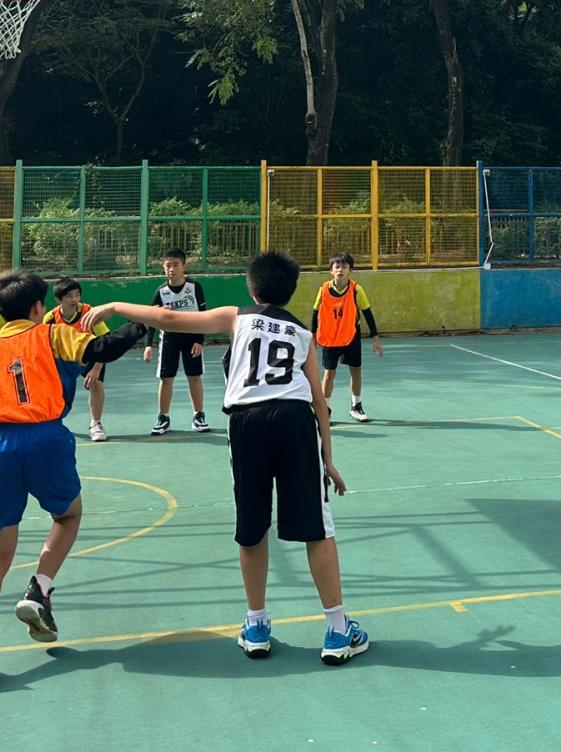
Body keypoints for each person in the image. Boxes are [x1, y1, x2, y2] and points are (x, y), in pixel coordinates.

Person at [85, 251, 368, 665]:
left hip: (247, 421)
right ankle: (338, 629)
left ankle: (257, 625)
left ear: (251, 289)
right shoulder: (302, 334)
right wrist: (328, 458)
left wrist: (113, 306)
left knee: (252, 526)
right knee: (317, 529)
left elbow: (168, 319)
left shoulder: (237, 317)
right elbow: (319, 402)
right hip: (294, 421)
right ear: (290, 293)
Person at [0, 269, 146, 680]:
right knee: (68, 515)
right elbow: (102, 348)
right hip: (47, 438)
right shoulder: (50, 334)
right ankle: (40, 586)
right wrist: (141, 324)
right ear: (37, 307)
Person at [142, 249, 210, 434]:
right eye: (168, 266)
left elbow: (203, 315)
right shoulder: (161, 292)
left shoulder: (194, 287)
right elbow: (152, 318)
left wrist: (199, 340)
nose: (171, 269)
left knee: (194, 376)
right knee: (166, 379)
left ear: (184, 266)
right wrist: (148, 345)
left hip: (192, 336)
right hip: (170, 339)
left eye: (175, 265)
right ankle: (163, 417)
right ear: (163, 267)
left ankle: (198, 415)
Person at [314, 253, 383, 423]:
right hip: (330, 338)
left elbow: (367, 313)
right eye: (337, 267)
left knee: (356, 371)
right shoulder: (323, 289)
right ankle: (325, 410)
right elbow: (315, 313)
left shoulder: (356, 289)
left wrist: (375, 337)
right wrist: (313, 335)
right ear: (331, 270)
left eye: (344, 267)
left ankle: (356, 406)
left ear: (350, 270)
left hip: (351, 336)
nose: (340, 270)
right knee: (329, 374)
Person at [48, 278, 108, 442]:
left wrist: (96, 369)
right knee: (54, 389)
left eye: (77, 295)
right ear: (58, 299)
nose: (74, 299)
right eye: (69, 296)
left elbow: (104, 341)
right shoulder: (51, 318)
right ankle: (54, 421)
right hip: (65, 358)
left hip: (90, 356)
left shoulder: (89, 312)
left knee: (97, 384)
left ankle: (96, 423)